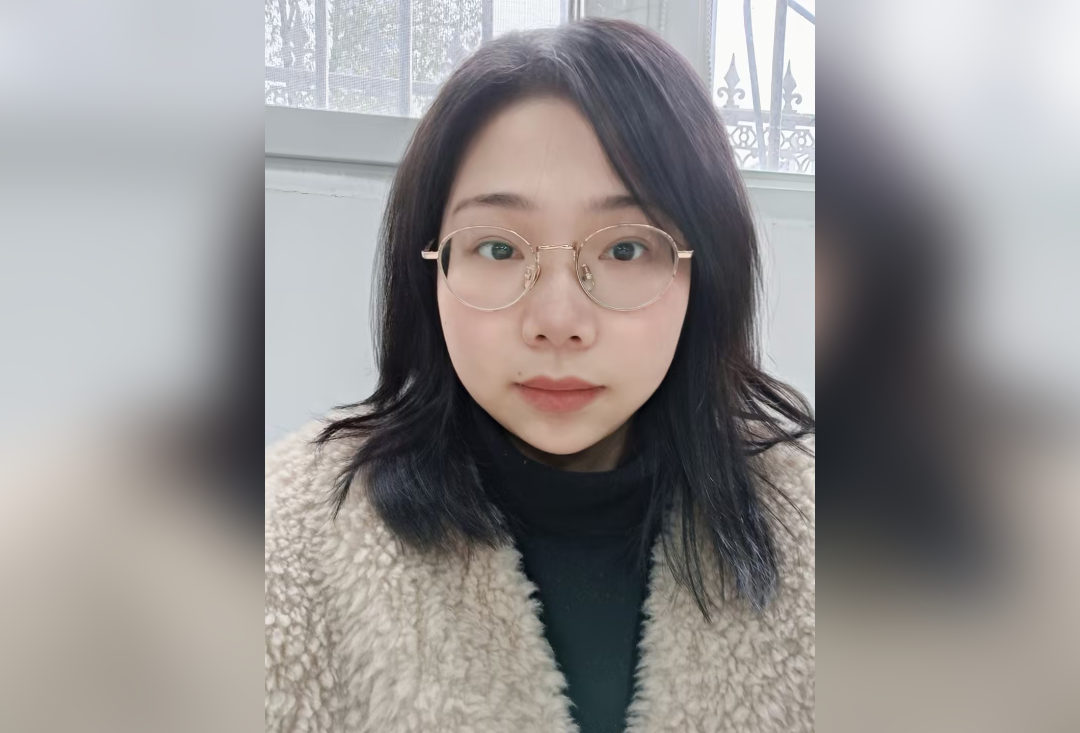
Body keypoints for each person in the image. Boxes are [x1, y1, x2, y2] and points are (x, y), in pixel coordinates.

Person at [265, 17, 814, 733]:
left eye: (625, 249)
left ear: (703, 271)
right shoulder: (285, 541)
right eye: (498, 247)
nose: (558, 321)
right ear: (429, 267)